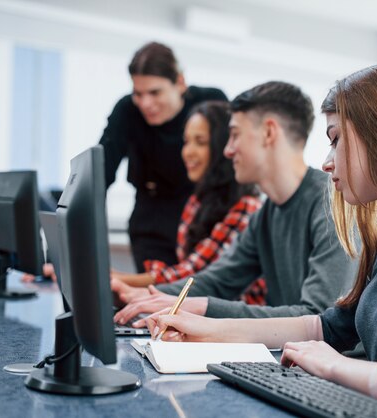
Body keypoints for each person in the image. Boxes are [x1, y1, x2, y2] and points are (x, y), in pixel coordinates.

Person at [143, 65, 377, 417]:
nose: (326, 162)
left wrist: (331, 366)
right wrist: (209, 330)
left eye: (336, 139)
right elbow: (327, 327)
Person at [112, 81, 357, 325]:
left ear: (269, 133)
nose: (228, 150)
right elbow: (217, 280)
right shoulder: (266, 214)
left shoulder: (332, 202)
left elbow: (319, 317)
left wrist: (203, 307)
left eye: (235, 135)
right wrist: (146, 296)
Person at [111, 101, 265, 303]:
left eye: (200, 142)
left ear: (222, 147)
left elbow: (195, 275)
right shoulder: (196, 201)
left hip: (237, 321)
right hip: (201, 310)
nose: (188, 152)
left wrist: (120, 280)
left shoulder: (246, 206)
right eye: (186, 141)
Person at [100, 41, 228, 272]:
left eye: (155, 92)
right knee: (156, 293)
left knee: (194, 289)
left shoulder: (210, 103)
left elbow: (229, 164)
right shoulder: (127, 110)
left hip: (201, 213)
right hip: (150, 217)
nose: (145, 103)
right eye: (138, 94)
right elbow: (99, 175)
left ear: (179, 82)